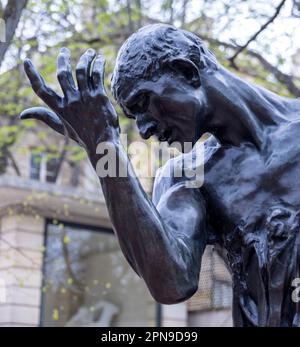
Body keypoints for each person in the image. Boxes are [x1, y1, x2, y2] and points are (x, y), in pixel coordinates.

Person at [20, 24, 300, 327]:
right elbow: (171, 282)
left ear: (186, 72)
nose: (144, 129)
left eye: (143, 104)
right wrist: (103, 144)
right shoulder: (186, 177)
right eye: (133, 117)